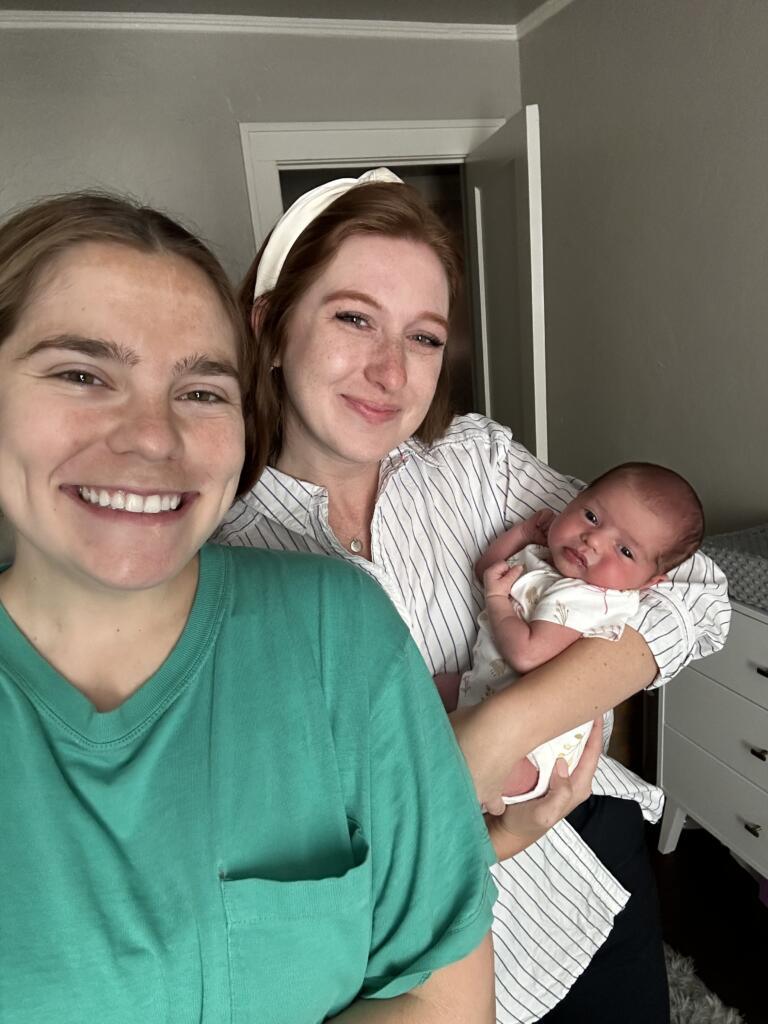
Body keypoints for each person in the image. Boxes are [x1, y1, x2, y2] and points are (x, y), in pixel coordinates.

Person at [215, 168, 730, 1024]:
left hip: (583, 868)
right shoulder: (221, 552)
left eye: (422, 337)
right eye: (353, 318)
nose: (388, 371)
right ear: (270, 327)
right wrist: (468, 799)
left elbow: (696, 591)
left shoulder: (474, 464)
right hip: (416, 947)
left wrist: (496, 731)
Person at [0, 192, 500, 1023]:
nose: (153, 439)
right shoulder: (269, 528)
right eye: (82, 374)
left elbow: (442, 992)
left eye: (199, 391)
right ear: (276, 335)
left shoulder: (342, 624)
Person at [446, 462, 705, 804]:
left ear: (648, 583)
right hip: (484, 694)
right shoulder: (546, 560)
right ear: (574, 501)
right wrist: (522, 534)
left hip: (535, 752)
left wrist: (497, 600)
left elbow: (526, 653)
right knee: (429, 687)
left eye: (625, 551)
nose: (593, 540)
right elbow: (487, 571)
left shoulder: (588, 598)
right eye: (592, 517)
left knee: (463, 767)